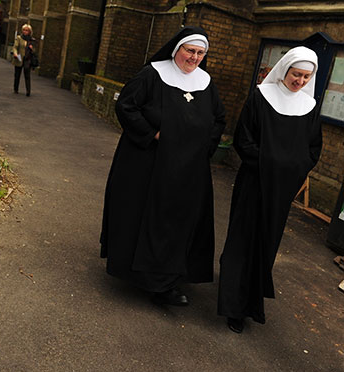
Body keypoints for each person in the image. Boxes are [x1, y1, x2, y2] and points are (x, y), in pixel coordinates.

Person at [100, 26, 226, 306]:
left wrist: (203, 147)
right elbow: (127, 106)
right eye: (190, 51)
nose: (194, 58)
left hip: (188, 170)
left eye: (200, 53)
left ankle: (169, 279)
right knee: (145, 217)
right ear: (176, 49)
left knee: (180, 222)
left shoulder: (206, 82)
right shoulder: (152, 75)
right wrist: (152, 134)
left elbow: (219, 119)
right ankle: (145, 278)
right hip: (150, 166)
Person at [217, 46, 322, 333]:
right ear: (285, 70)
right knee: (243, 239)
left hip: (282, 189)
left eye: (306, 76)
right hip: (254, 182)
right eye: (296, 74)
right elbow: (243, 139)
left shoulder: (309, 108)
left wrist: (292, 170)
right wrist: (269, 164)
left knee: (266, 241)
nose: (300, 81)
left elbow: (313, 149)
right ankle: (232, 306)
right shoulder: (260, 98)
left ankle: (250, 302)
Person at [12, 24, 36, 97]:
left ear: (29, 32)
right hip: (19, 58)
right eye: (24, 30)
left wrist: (32, 49)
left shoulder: (32, 40)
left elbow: (34, 51)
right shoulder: (19, 38)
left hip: (27, 59)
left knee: (27, 75)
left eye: (27, 30)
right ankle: (16, 89)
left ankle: (28, 91)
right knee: (17, 75)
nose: (25, 32)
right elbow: (15, 47)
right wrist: (15, 53)